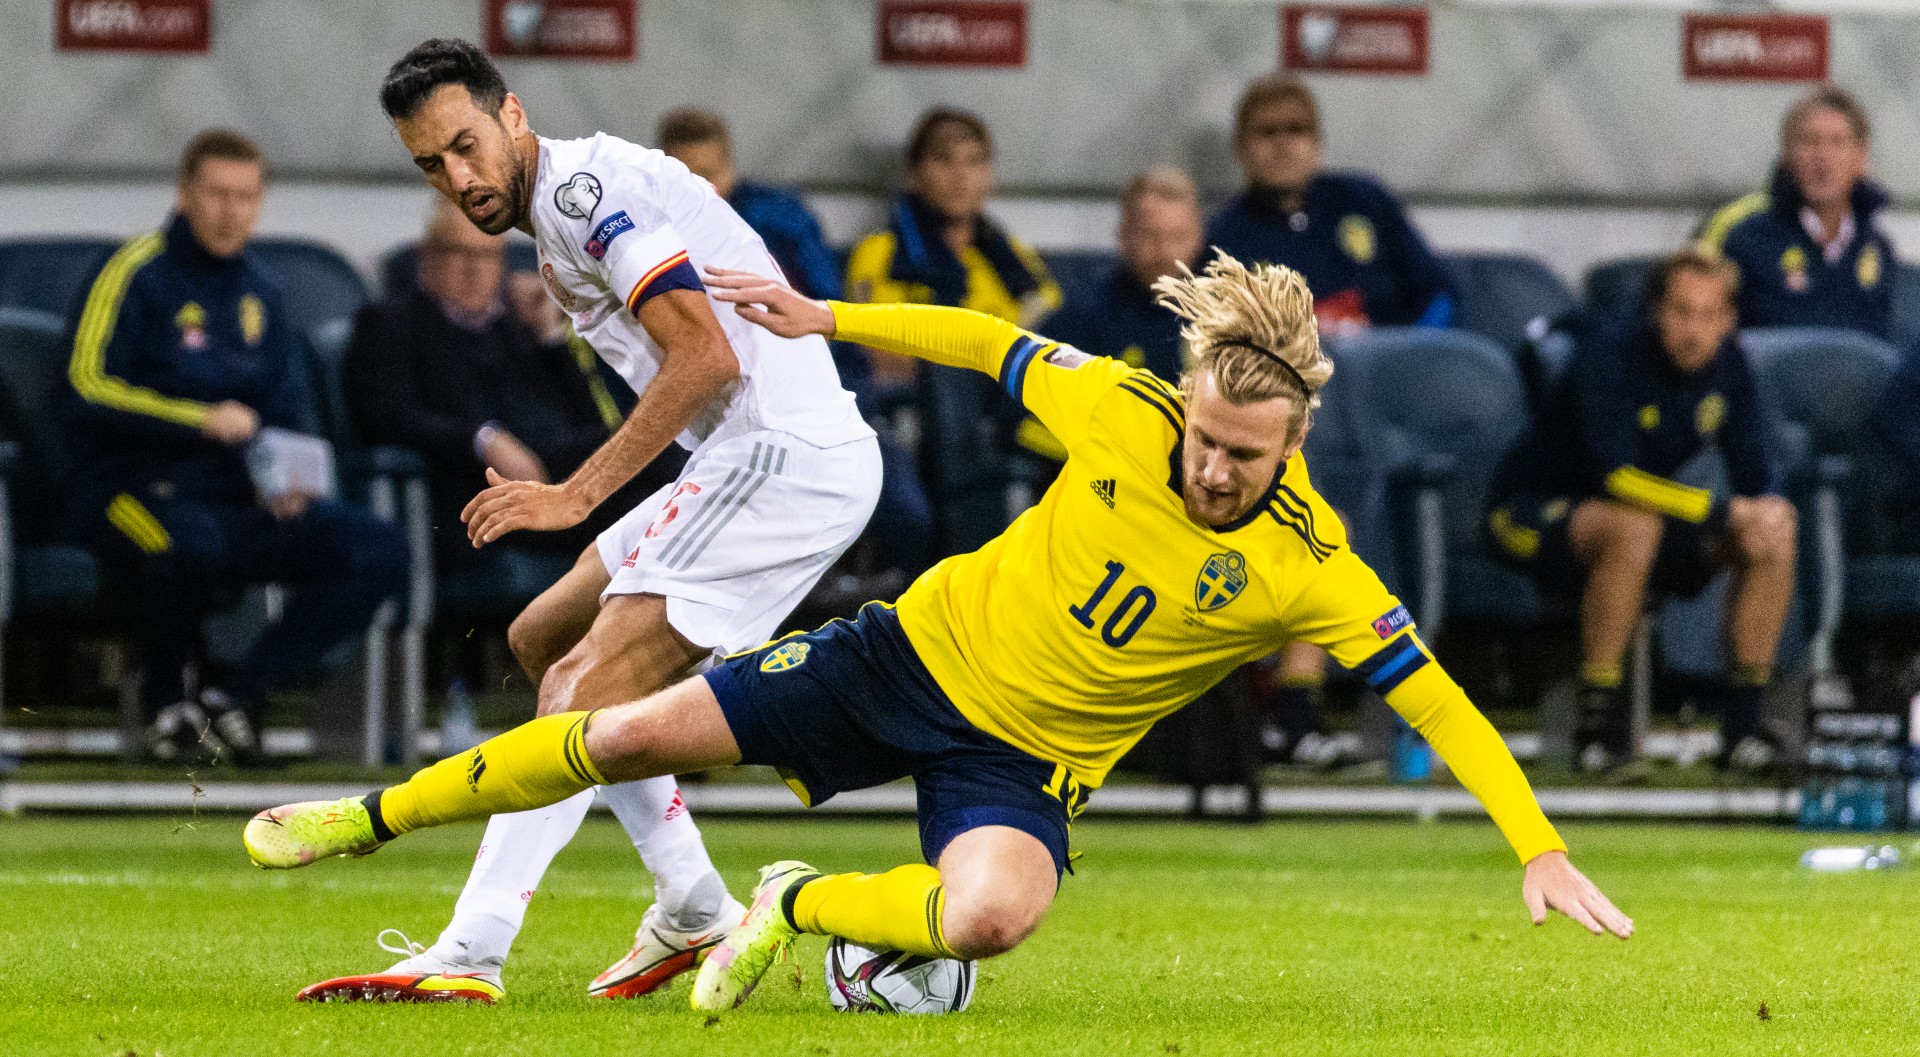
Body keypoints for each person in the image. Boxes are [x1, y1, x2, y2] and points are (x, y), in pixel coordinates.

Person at [246, 253, 1633, 1015]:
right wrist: (829, 316)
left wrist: (1538, 843)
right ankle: (361, 821)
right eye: (1208, 440)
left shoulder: (1309, 564)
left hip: (1023, 764)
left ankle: (793, 904)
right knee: (616, 732)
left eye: (1243, 455)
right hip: (900, 657)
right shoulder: (1129, 413)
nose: (1213, 469)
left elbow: (1436, 698)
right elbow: (984, 340)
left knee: (992, 919)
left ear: (1296, 440)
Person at [290, 39, 880, 1006]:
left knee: (581, 683)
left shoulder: (580, 199)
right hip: (744, 456)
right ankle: (693, 903)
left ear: (513, 114)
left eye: (468, 145)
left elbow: (705, 361)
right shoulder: (561, 213)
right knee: (542, 636)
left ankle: (472, 946)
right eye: (431, 165)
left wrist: (572, 494)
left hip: (782, 458)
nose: (460, 178)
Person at [64, 129, 407, 767]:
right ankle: (168, 707)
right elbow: (86, 387)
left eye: (246, 196)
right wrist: (197, 420)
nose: (232, 211)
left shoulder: (262, 290)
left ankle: (233, 696)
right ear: (185, 194)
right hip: (130, 487)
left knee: (377, 549)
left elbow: (282, 410)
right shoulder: (135, 272)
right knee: (185, 544)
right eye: (218, 194)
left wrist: (286, 476)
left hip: (235, 497)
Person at [1485, 250, 1796, 775]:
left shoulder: (1729, 362)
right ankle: (1597, 729)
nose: (1693, 330)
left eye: (1708, 315)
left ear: (1728, 319)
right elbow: (1616, 477)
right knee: (1634, 526)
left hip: (1650, 522)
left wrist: (1765, 506)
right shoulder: (1608, 356)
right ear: (1655, 311)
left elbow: (1755, 465)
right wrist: (1722, 511)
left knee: (1775, 531)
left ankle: (1742, 730)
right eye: (1680, 312)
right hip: (1532, 512)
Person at [344, 199, 659, 571]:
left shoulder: (514, 327)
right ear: (425, 258)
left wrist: (550, 335)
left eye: (489, 256)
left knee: (659, 444)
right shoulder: (392, 323)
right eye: (461, 253)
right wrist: (483, 439)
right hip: (488, 496)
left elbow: (588, 418)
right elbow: (387, 416)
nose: (476, 270)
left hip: (567, 483)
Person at [846, 108, 1062, 558]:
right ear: (915, 173)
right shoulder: (881, 254)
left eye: (974, 161)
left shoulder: (1015, 261)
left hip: (1008, 412)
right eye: (944, 160)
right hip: (916, 423)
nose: (960, 176)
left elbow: (1059, 341)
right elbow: (875, 356)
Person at [1206, 75, 1455, 334]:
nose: (1282, 145)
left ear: (1317, 143)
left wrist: (1414, 352)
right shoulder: (1224, 236)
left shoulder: (1365, 201)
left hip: (1389, 367)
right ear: (1240, 147)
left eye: (1296, 130)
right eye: (1267, 132)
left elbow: (1440, 294)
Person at [1697, 86, 1895, 337]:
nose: (1823, 156)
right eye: (1810, 142)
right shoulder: (1742, 237)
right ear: (1786, 157)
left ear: (1860, 159)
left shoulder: (1879, 249)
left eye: (1838, 142)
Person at [655, 108, 843, 304]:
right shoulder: (650, 229)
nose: (698, 187)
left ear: (730, 166)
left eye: (707, 175)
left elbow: (828, 302)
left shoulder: (784, 217)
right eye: (685, 178)